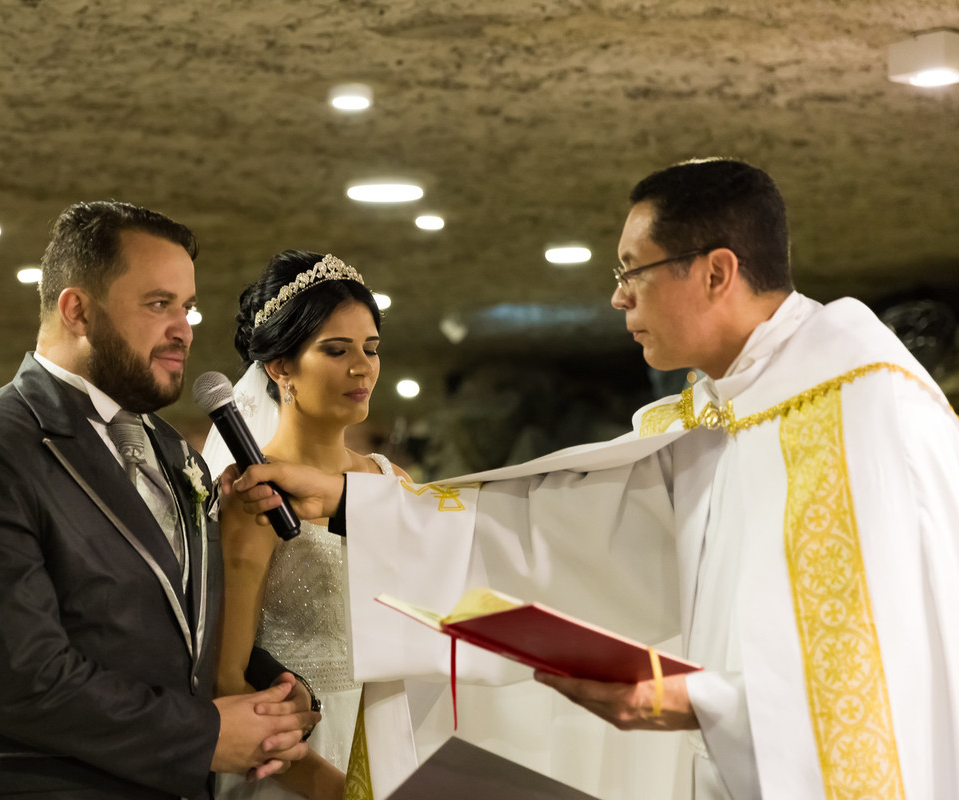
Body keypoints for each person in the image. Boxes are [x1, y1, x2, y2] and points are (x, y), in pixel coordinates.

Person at [231, 159, 959, 799]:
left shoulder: (857, 411)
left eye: (632, 272)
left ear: (716, 272)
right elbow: (554, 536)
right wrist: (357, 500)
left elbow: (871, 671)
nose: (618, 299)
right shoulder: (724, 416)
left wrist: (704, 704)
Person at [0, 200, 318, 800]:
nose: (184, 328)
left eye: (187, 307)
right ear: (77, 310)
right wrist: (204, 736)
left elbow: (169, 624)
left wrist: (272, 688)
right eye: (158, 305)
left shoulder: (174, 453)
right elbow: (19, 680)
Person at [203, 251, 412, 800]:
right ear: (280, 368)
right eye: (336, 350)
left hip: (393, 734)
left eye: (371, 349)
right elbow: (227, 680)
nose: (362, 367)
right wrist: (334, 788)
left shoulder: (393, 481)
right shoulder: (257, 497)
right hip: (298, 762)